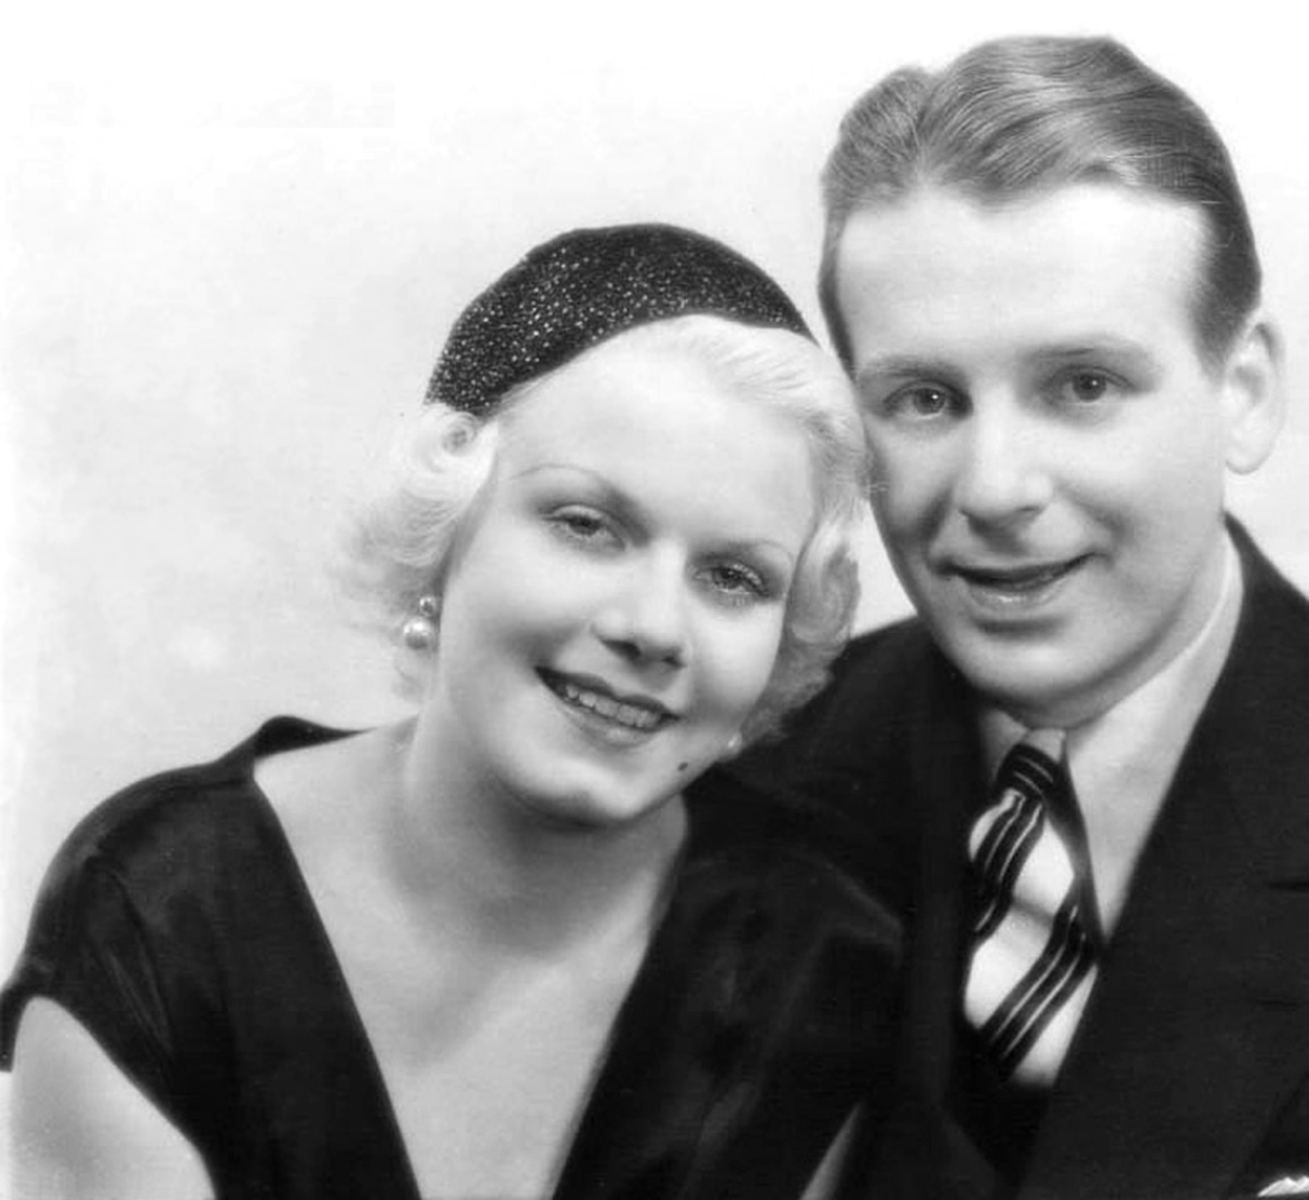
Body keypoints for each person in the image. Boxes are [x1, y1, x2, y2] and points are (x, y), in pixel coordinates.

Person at [734, 36, 1309, 1199]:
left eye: (1082, 386)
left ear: (1243, 392)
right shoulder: (747, 762)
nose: (994, 488)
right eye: (923, 399)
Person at [2, 223, 898, 1200]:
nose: (653, 627)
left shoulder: (821, 957)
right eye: (587, 525)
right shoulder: (163, 913)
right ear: (445, 526)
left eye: (733, 577)